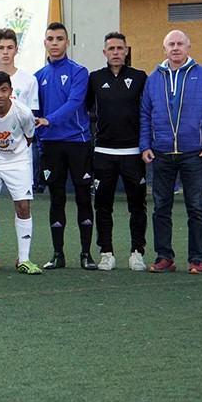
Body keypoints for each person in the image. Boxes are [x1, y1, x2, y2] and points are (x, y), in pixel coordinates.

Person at [140, 30, 202, 274]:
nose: (176, 48)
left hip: (194, 153)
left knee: (195, 207)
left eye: (180, 44)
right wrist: (146, 144)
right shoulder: (154, 78)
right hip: (162, 153)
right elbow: (145, 114)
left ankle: (197, 258)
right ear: (164, 48)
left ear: (188, 47)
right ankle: (165, 257)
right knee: (160, 207)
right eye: (171, 44)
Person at [0, 27, 41, 264]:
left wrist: (13, 145)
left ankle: (23, 259)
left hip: (18, 157)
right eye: (0, 47)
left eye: (10, 47)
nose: (5, 52)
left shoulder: (29, 79)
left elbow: (30, 128)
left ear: (16, 50)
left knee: (23, 205)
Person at [34, 22, 97, 270]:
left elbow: (74, 103)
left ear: (67, 42)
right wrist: (41, 139)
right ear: (45, 43)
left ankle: (85, 254)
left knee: (83, 197)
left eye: (59, 39)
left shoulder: (79, 72)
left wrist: (50, 120)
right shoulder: (38, 76)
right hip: (51, 146)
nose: (55, 43)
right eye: (50, 39)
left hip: (78, 143)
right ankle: (58, 254)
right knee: (56, 199)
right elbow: (35, 113)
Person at [86, 32, 148, 271]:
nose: (115, 52)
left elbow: (149, 110)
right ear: (104, 52)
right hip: (103, 153)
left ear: (126, 51)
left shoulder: (140, 77)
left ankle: (137, 252)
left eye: (120, 48)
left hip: (133, 153)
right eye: (111, 48)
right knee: (103, 206)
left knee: (137, 206)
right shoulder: (95, 78)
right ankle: (106, 252)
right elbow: (86, 108)